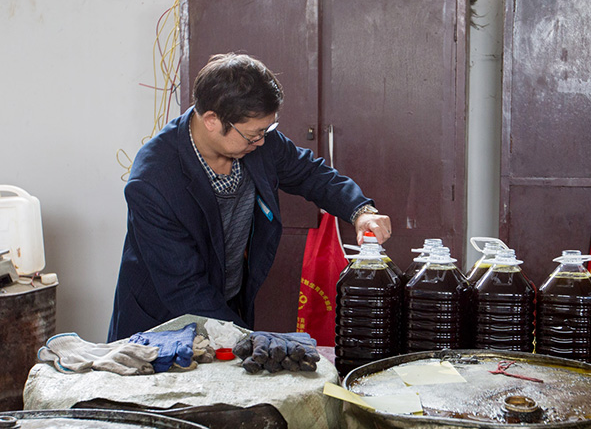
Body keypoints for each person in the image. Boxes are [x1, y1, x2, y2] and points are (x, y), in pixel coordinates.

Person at [108, 53, 391, 341]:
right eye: (253, 135)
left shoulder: (255, 142)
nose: (262, 142)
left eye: (267, 130)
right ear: (211, 121)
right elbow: (184, 287)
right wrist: (248, 339)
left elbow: (310, 174)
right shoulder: (153, 182)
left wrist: (361, 211)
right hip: (162, 324)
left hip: (224, 306)